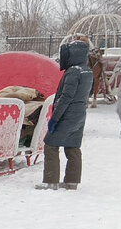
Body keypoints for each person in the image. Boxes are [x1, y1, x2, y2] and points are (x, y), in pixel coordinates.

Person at [37, 40, 94, 190]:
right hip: (80, 114)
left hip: (67, 115)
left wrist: (55, 118)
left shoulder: (73, 72)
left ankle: (51, 181)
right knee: (72, 146)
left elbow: (66, 97)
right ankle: (71, 181)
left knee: (51, 145)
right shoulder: (87, 71)